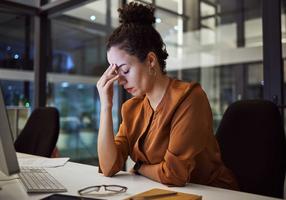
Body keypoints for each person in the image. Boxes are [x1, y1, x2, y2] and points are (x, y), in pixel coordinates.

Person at [96, 2, 238, 189]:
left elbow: (173, 174)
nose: (119, 80)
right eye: (115, 72)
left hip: (215, 194)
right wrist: (106, 106)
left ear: (151, 61)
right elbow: (108, 167)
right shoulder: (131, 108)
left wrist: (139, 167)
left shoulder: (189, 98)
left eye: (125, 70)